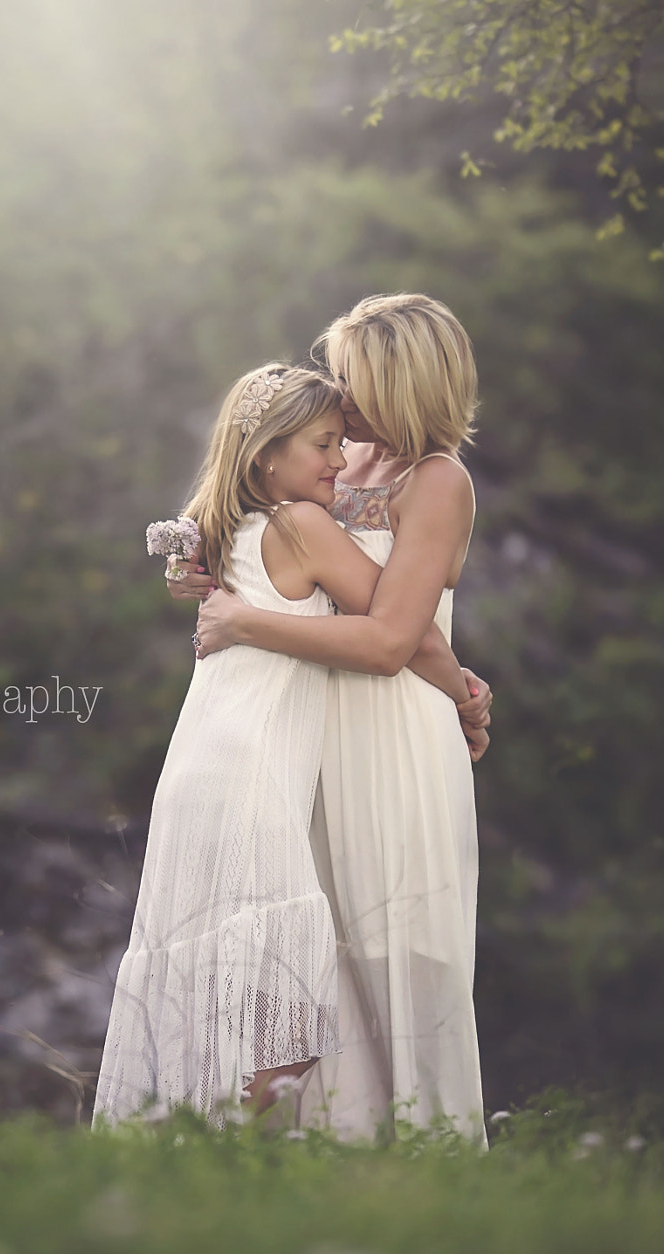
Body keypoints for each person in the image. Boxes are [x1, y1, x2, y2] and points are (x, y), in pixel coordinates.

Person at [92, 363, 478, 1131]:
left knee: (230, 970)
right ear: (268, 454)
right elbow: (403, 633)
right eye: (322, 443)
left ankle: (198, 1134)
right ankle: (238, 1141)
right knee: (296, 987)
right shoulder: (306, 521)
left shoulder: (229, 521)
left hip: (210, 756)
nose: (337, 456)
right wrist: (467, 696)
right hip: (259, 767)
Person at [184, 293, 490, 1147]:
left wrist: (244, 622)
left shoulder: (438, 481)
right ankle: (303, 1153)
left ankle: (420, 1158)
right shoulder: (326, 466)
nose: (334, 392)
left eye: (349, 375)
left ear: (398, 381)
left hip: (394, 739)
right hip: (308, 732)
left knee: (395, 950)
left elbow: (395, 638)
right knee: (300, 961)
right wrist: (207, 576)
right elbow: (251, 552)